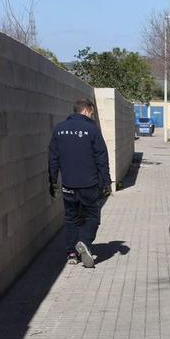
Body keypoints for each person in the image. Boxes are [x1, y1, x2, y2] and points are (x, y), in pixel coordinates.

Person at [48, 99, 112, 268]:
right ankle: (83, 242)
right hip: (89, 184)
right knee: (92, 217)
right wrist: (106, 182)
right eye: (92, 113)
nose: (92, 116)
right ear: (86, 110)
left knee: (71, 218)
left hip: (68, 184)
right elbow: (101, 158)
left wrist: (53, 181)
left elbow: (53, 158)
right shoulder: (92, 129)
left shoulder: (59, 129)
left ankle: (71, 253)